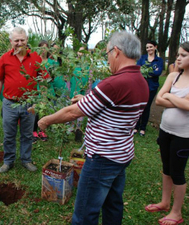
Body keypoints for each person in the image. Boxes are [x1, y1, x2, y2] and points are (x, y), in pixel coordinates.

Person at [38, 31, 149, 225]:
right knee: (113, 205)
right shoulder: (140, 81)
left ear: (116, 51)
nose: (107, 59)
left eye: (107, 54)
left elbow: (72, 113)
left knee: (84, 214)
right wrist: (88, 99)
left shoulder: (114, 83)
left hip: (102, 158)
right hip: (121, 154)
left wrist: (46, 120)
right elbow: (116, 109)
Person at [0, 27, 49, 173]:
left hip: (29, 104)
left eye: (22, 40)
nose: (19, 43)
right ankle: (8, 161)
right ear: (11, 41)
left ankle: (26, 160)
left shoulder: (36, 58)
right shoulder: (5, 58)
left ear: (27, 40)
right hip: (9, 103)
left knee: (27, 134)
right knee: (9, 134)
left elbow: (43, 81)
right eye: (16, 40)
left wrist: (42, 99)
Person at [145, 42, 189, 225]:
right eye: (178, 54)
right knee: (166, 168)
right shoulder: (173, 76)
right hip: (165, 130)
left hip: (183, 136)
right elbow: (159, 100)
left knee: (177, 172)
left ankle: (176, 212)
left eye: (183, 55)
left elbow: (188, 106)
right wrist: (177, 98)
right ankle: (164, 202)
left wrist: (170, 97)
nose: (178, 58)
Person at [134, 40, 163, 136]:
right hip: (141, 86)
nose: (149, 49)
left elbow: (158, 73)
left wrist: (146, 71)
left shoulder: (159, 60)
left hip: (152, 87)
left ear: (155, 47)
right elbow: (138, 69)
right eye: (147, 47)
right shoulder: (142, 58)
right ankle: (136, 127)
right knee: (139, 106)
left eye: (151, 47)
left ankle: (143, 128)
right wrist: (152, 71)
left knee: (146, 107)